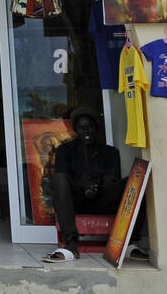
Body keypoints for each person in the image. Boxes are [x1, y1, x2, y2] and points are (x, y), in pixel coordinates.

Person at [42, 108, 147, 263]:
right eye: (81, 127)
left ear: (97, 128)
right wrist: (83, 186)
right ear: (75, 130)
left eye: (90, 126)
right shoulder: (65, 150)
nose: (86, 130)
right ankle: (71, 245)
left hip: (102, 199)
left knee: (137, 183)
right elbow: (62, 175)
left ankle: (129, 243)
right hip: (75, 201)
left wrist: (95, 188)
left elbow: (111, 180)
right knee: (58, 180)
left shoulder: (110, 152)